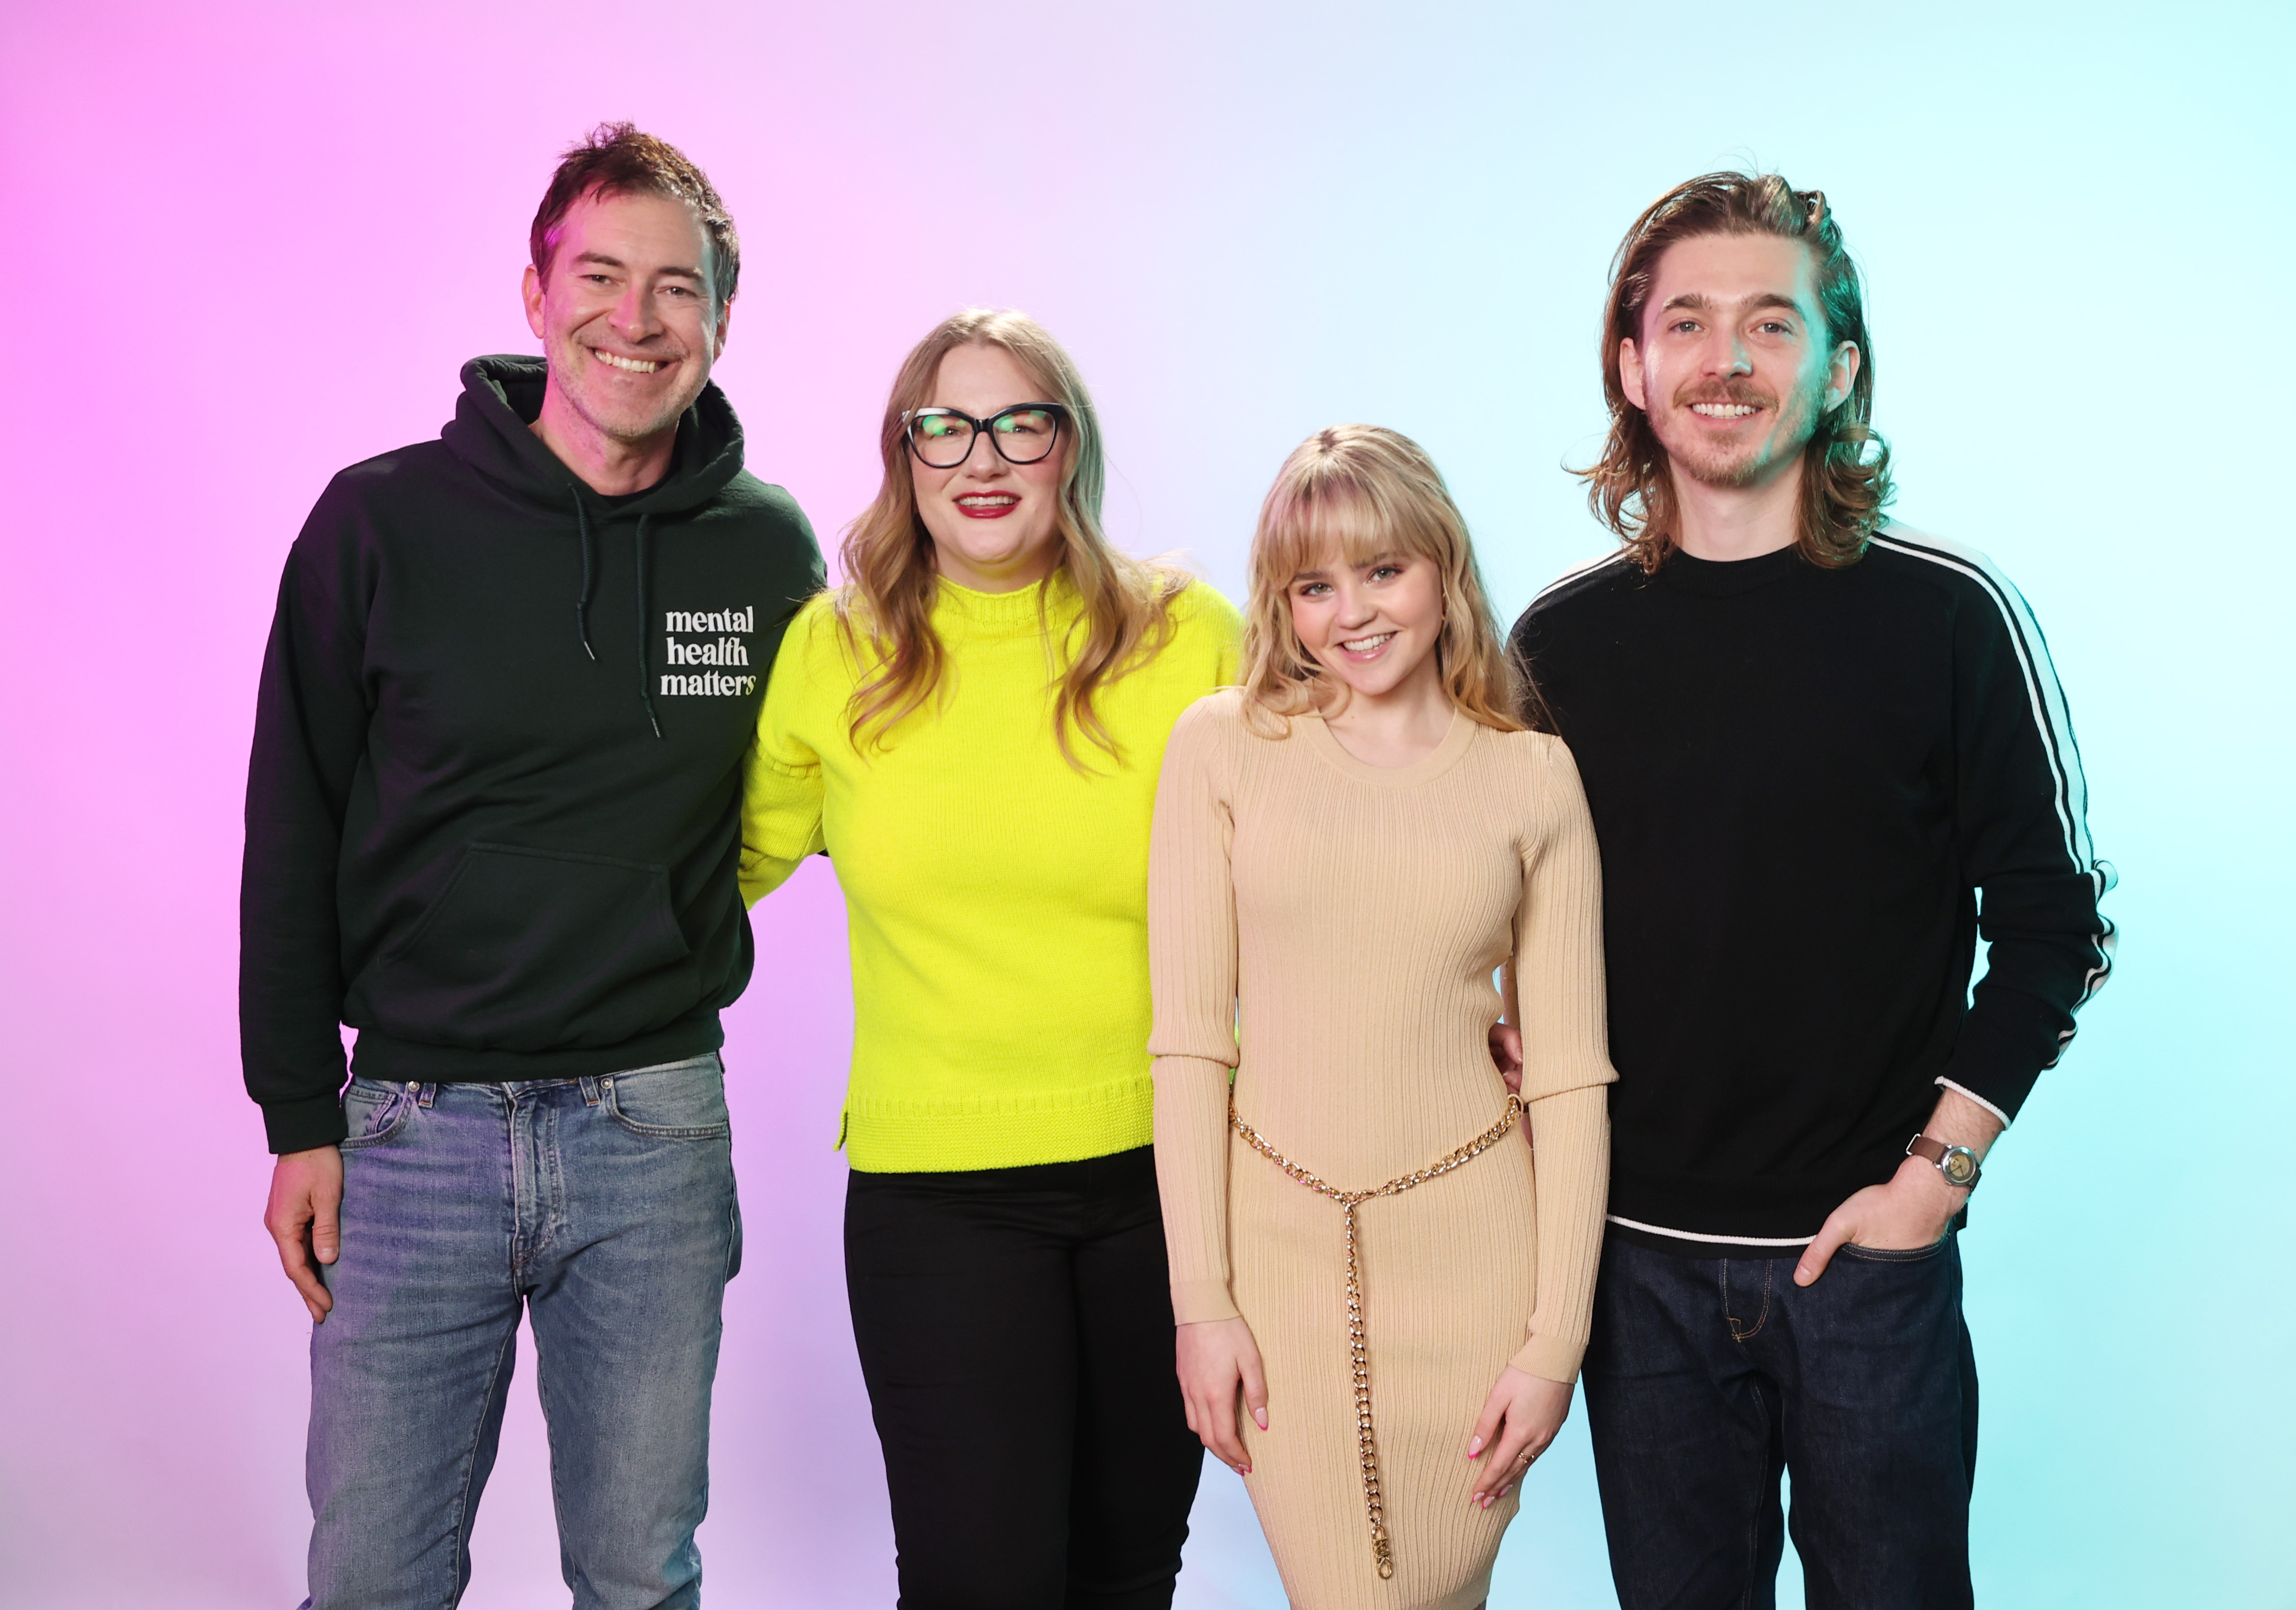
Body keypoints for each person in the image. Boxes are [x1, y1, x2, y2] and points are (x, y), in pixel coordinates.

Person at [1508, 172, 2115, 1608]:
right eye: (1689, 322)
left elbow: (2055, 922)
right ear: (1633, 365)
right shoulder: (1557, 646)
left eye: (1770, 325)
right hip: (1634, 1264)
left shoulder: (1950, 616)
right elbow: (1488, 903)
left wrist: (1937, 1175)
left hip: (1866, 1256)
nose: (1727, 359)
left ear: (1839, 370)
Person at [242, 124, 823, 1609]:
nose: (636, 320)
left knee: (640, 1573)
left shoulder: (763, 552)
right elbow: (292, 822)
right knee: (374, 1574)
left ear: (721, 321)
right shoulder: (379, 520)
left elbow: (835, 775)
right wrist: (301, 1110)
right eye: (602, 276)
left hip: (652, 1128)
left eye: (676, 289)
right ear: (533, 292)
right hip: (413, 1127)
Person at [739, 308, 1242, 1609]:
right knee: (981, 1584)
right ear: (904, 456)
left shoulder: (1189, 638)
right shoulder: (836, 653)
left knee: (1127, 1574)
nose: (984, 454)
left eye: (1020, 419)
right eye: (944, 425)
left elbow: (1328, 845)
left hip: (1170, 1179)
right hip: (941, 1197)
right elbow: (709, 875)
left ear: (1067, 446)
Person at [1149, 425, 1616, 1610]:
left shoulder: (1530, 777)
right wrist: (1199, 1302)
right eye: (1313, 584)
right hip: (1278, 1261)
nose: (1349, 612)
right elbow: (1191, 1045)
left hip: (1475, 1261)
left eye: (1381, 570)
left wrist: (1551, 1342)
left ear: (1442, 571)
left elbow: (1566, 1076)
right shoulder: (1220, 749)